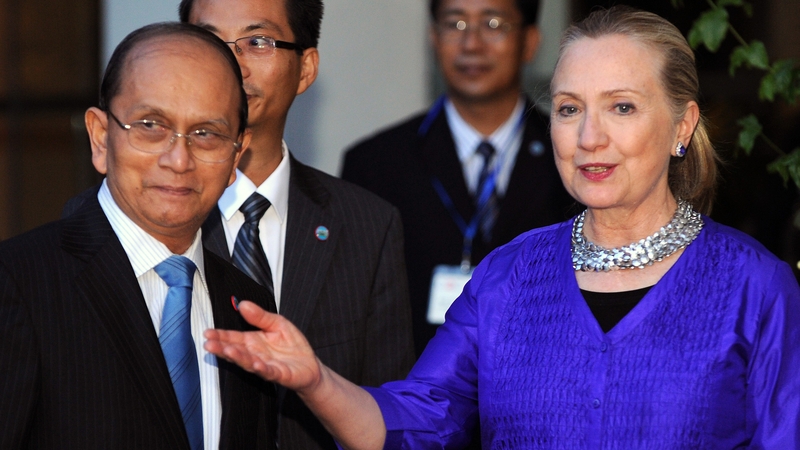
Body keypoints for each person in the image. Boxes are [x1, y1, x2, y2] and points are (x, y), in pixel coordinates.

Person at [202, 6, 800, 448]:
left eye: (622, 107)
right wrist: (316, 381)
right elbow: (418, 421)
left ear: (681, 126)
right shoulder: (508, 278)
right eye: (569, 108)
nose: (589, 136)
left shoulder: (756, 288)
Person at [0, 23, 280, 449]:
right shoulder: (19, 283)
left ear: (235, 156)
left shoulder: (248, 304)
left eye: (206, 134)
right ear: (100, 137)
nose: (179, 159)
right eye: (151, 125)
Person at [177, 0, 416, 448]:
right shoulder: (148, 213)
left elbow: (389, 411)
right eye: (210, 40)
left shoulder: (368, 226)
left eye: (257, 41)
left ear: (306, 68)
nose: (233, 63)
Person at [341, 0, 572, 356]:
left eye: (493, 24)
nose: (472, 44)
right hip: (415, 377)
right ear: (434, 39)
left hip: (542, 372)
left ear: (530, 41)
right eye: (455, 24)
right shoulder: (374, 165)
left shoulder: (572, 157)